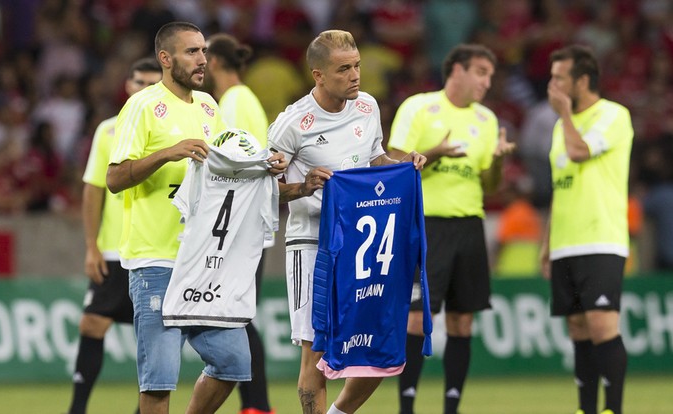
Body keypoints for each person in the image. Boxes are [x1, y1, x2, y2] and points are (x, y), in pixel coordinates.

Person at [105, 22, 286, 414]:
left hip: (203, 261)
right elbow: (115, 178)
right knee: (159, 382)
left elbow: (228, 173)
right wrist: (166, 153)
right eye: (191, 52)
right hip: (156, 259)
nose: (202, 59)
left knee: (234, 362)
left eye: (203, 50)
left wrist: (266, 169)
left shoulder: (209, 106)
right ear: (166, 59)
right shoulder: (142, 105)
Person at [267, 29, 426, 414]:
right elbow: (264, 192)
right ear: (317, 75)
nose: (355, 75)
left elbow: (375, 163)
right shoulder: (292, 124)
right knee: (316, 352)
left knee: (376, 345)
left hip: (364, 243)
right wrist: (303, 188)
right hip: (313, 244)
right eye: (343, 69)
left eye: (356, 66)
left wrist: (404, 165)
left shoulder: (368, 107)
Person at [387, 43, 515, 414]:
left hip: (470, 225)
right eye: (481, 72)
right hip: (426, 225)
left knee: (462, 318)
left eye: (490, 75)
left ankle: (451, 406)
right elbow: (394, 162)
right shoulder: (419, 107)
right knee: (417, 315)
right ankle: (407, 405)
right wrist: (436, 152)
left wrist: (496, 164)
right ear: (456, 70)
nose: (487, 83)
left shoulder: (487, 120)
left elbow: (490, 186)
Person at [540, 44, 633, 414]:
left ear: (582, 80)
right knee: (577, 328)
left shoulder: (612, 115)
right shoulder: (560, 128)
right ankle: (587, 409)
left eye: (559, 77)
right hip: (565, 241)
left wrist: (564, 114)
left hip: (601, 237)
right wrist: (547, 243)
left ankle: (613, 408)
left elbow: (579, 153)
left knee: (601, 324)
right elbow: (559, 187)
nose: (552, 85)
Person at [67, 57, 161, 414]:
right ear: (128, 85)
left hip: (155, 249)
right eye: (140, 83)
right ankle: (76, 408)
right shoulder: (109, 129)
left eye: (153, 84)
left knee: (153, 336)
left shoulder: (173, 129)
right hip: (113, 251)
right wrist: (91, 246)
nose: (144, 90)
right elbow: (93, 190)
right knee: (92, 323)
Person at [203, 33, 274, 414]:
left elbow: (234, 160)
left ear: (214, 62)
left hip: (241, 224)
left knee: (238, 316)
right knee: (239, 316)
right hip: (248, 221)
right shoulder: (244, 99)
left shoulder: (232, 102)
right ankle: (255, 404)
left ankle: (258, 405)